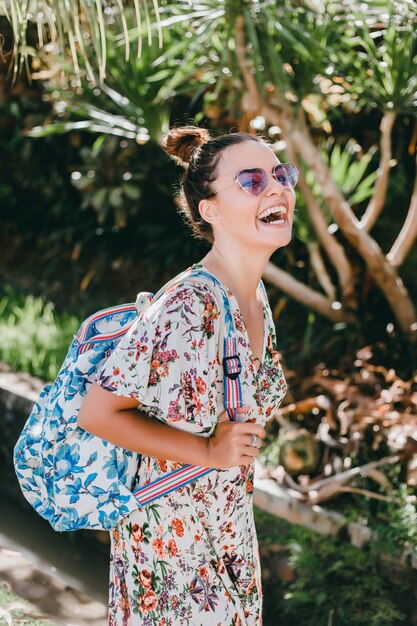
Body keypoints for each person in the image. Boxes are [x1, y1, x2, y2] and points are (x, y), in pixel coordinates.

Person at [78, 126, 297, 626]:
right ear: (210, 210)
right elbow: (98, 411)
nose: (277, 187)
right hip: (172, 542)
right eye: (251, 180)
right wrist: (208, 451)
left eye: (281, 175)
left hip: (227, 524)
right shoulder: (187, 305)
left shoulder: (253, 297)